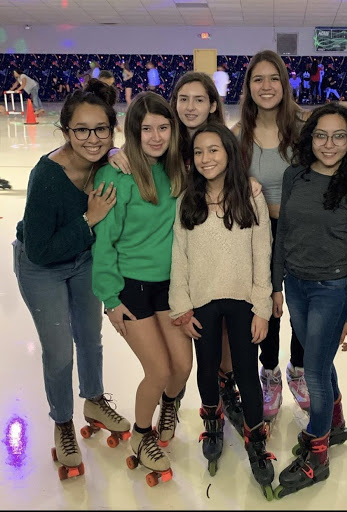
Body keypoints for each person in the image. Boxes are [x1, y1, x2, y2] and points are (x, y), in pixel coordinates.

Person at [106, 72, 250, 437]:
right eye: (182, 99)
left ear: (213, 104)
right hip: (168, 271)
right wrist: (113, 152)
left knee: (220, 338)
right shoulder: (163, 151)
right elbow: (106, 236)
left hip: (211, 260)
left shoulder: (220, 141)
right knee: (180, 355)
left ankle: (221, 389)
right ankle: (176, 404)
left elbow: (233, 177)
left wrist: (246, 182)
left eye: (199, 99)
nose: (190, 106)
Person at [12, 79, 130, 479]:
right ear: (65, 132)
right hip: (40, 266)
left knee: (90, 335)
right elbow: (40, 250)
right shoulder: (46, 177)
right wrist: (88, 219)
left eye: (101, 129)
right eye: (81, 130)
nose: (92, 138)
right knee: (60, 349)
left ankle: (94, 399)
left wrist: (115, 152)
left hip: (82, 261)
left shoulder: (104, 161)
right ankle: (63, 423)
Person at [271, 103, 347, 499]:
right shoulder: (294, 175)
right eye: (321, 135)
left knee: (312, 370)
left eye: (339, 136)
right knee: (320, 360)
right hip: (295, 285)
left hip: (333, 289)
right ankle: (335, 422)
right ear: (309, 137)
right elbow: (283, 234)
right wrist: (276, 282)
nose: (329, 145)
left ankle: (317, 455)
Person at [169, 122, 276, 498]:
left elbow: (262, 252)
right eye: (198, 152)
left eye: (214, 150)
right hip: (202, 300)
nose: (206, 158)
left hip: (243, 299)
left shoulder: (249, 195)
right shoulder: (188, 199)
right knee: (209, 365)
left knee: (247, 371)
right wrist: (181, 305)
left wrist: (262, 306)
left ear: (229, 152)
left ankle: (256, 437)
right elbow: (179, 256)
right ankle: (212, 418)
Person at [91, 91, 191, 483]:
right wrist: (110, 299)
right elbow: (103, 244)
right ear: (133, 131)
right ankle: (141, 434)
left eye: (163, 127)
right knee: (159, 368)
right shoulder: (115, 174)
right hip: (129, 287)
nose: (155, 136)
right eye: (146, 128)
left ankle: (170, 404)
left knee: (182, 367)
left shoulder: (178, 169)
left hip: (168, 286)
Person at [233, 49, 312, 425]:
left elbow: (341, 160)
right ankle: (271, 374)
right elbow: (209, 169)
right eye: (258, 79)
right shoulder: (239, 134)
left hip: (299, 231)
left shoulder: (304, 126)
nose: (266, 86)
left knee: (300, 305)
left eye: (273, 78)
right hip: (258, 234)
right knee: (266, 307)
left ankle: (298, 369)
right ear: (248, 86)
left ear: (285, 83)